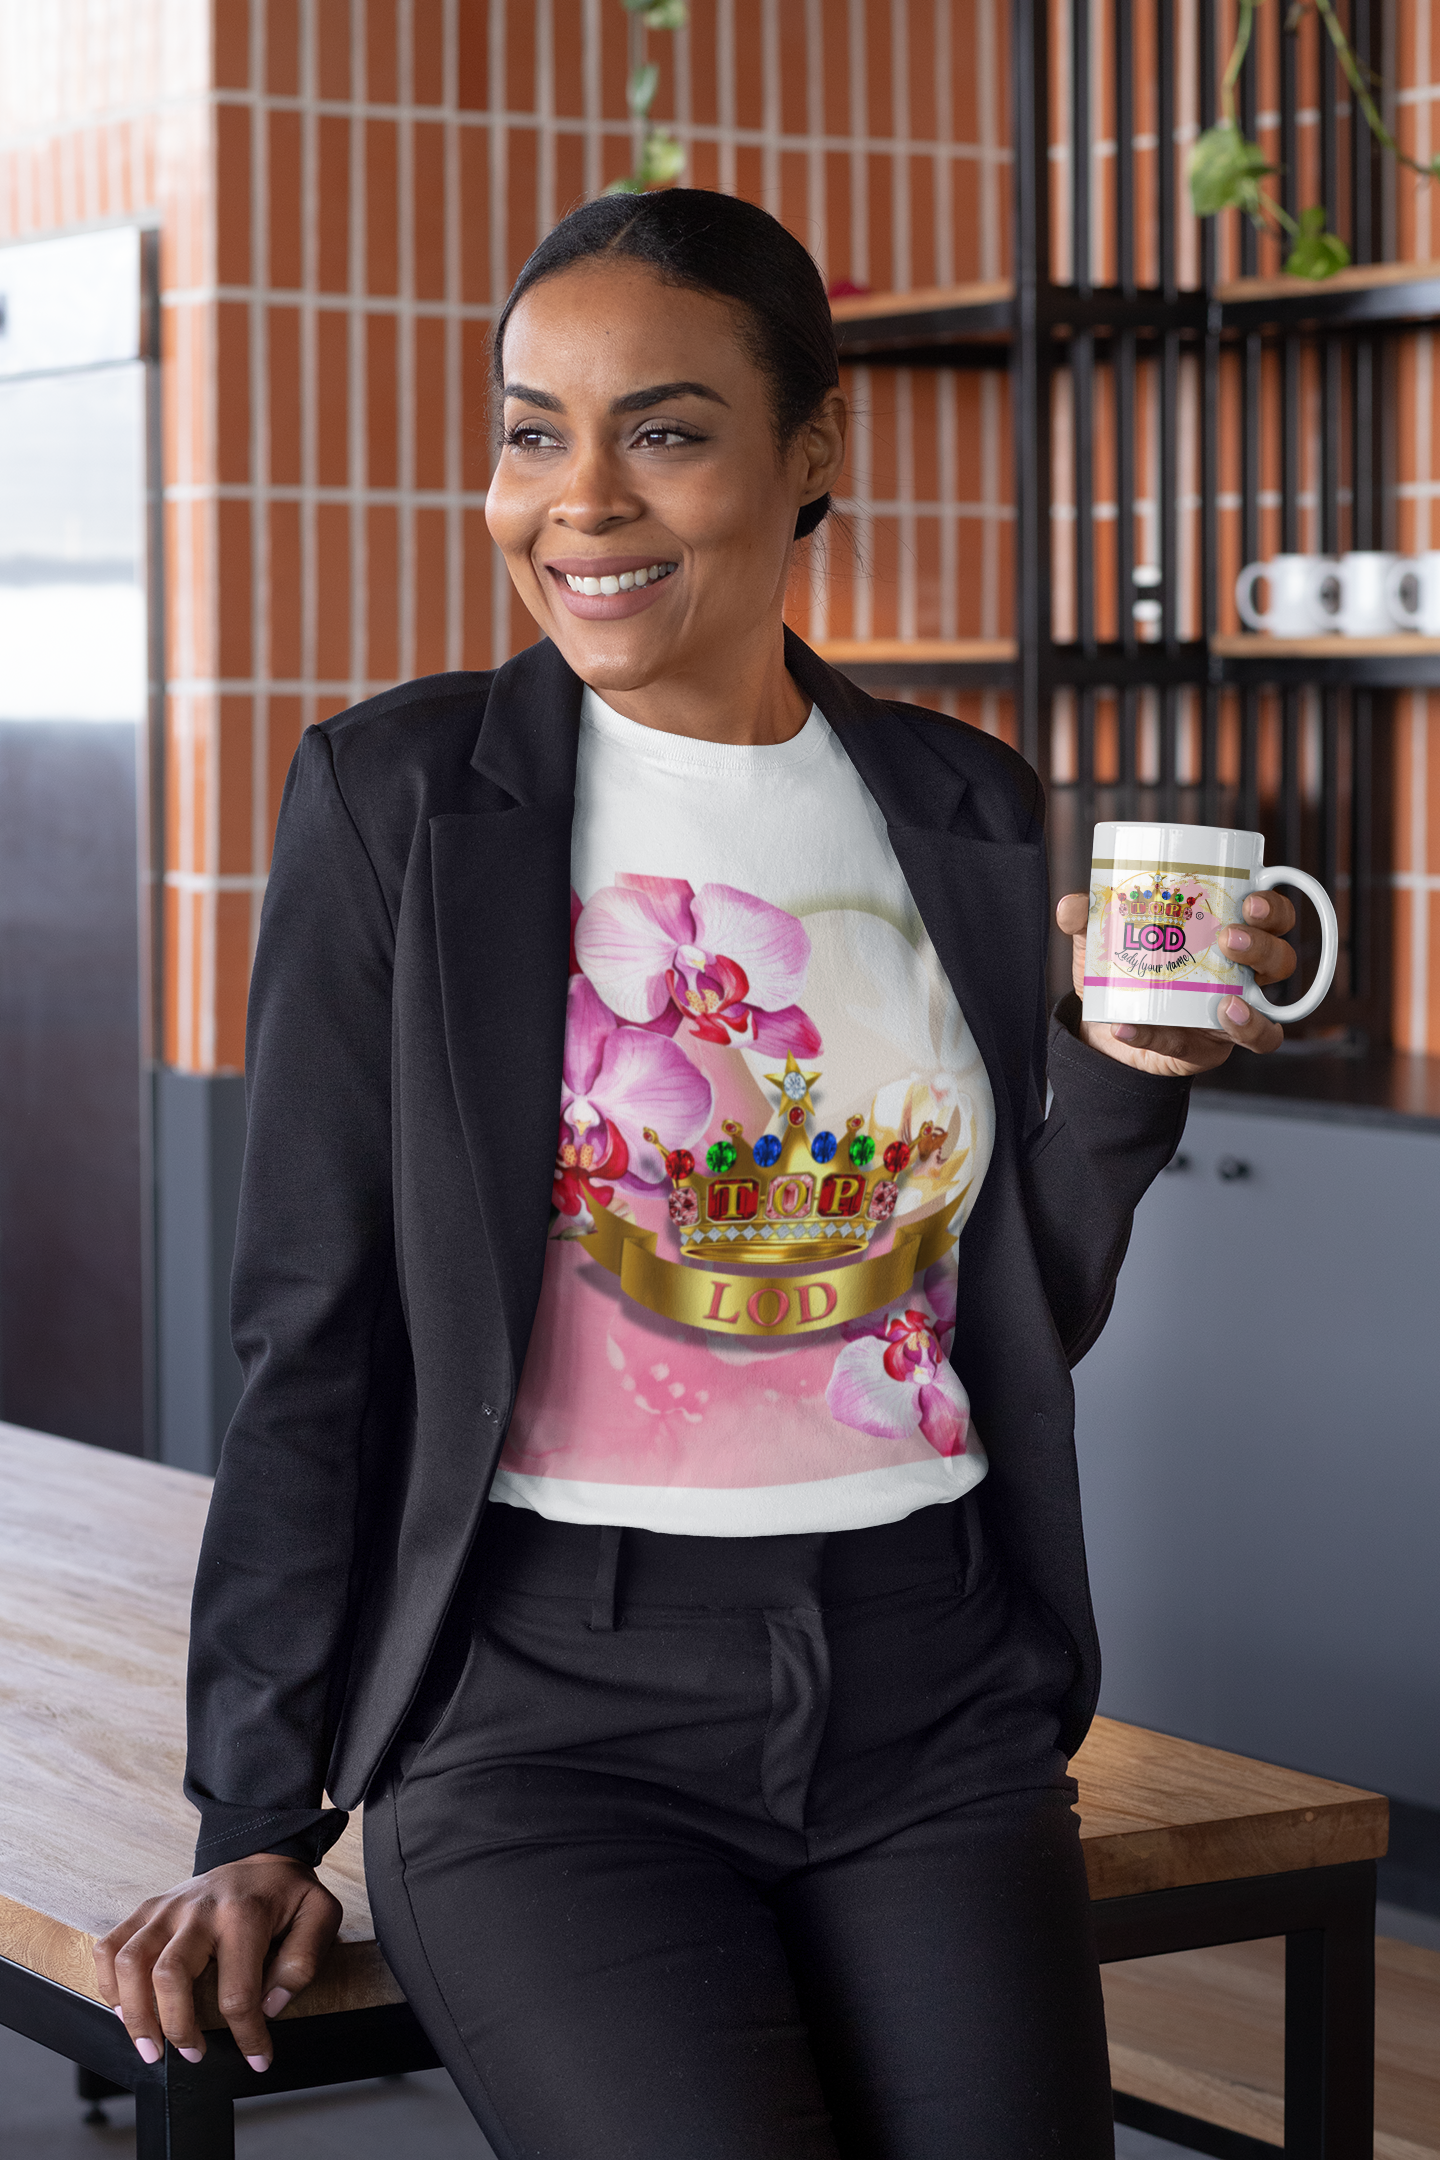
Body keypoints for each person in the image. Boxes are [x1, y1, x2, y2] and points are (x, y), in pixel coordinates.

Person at [96, 190, 1299, 2159]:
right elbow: (314, 1326)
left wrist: (1129, 1078)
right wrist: (257, 1810)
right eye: (532, 432)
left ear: (812, 451)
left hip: (935, 1695)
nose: (580, 500)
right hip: (550, 1721)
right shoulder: (403, 803)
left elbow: (992, 1324)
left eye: (661, 430)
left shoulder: (964, 806)